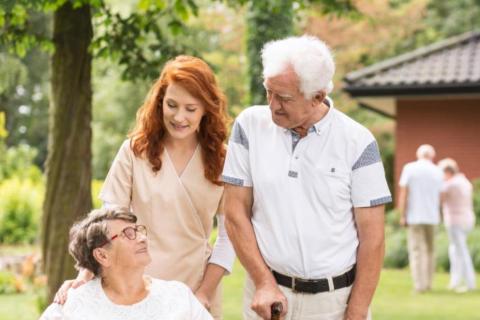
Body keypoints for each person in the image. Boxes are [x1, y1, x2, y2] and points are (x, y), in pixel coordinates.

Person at [222, 35, 391, 320]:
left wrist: (357, 312)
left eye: (285, 98)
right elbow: (235, 211)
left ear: (317, 97)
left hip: (334, 303)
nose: (273, 105)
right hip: (266, 297)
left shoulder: (358, 142)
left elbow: (373, 237)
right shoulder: (249, 126)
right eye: (269, 92)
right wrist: (263, 283)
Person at [54, 55, 235, 319]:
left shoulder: (223, 159)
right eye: (171, 105)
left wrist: (204, 293)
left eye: (190, 108)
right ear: (160, 101)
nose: (179, 117)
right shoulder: (135, 150)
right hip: (134, 285)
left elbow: (229, 236)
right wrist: (85, 274)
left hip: (196, 287)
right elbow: (108, 225)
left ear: (206, 109)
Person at [40, 208, 213, 320]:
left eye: (139, 231)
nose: (142, 238)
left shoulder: (177, 296)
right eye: (128, 233)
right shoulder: (74, 305)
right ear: (102, 255)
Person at [398, 144, 443, 293]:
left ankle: (419, 286)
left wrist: (402, 214)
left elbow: (404, 193)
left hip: (414, 216)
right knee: (430, 251)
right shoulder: (438, 171)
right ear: (432, 156)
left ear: (418, 155)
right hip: (432, 217)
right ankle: (428, 284)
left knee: (416, 251)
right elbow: (441, 197)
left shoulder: (409, 168)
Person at [438, 158, 476, 292]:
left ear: (448, 171)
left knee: (460, 251)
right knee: (454, 251)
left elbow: (440, 198)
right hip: (467, 220)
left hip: (455, 221)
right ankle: (455, 281)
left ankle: (470, 283)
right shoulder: (464, 181)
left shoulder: (450, 184)